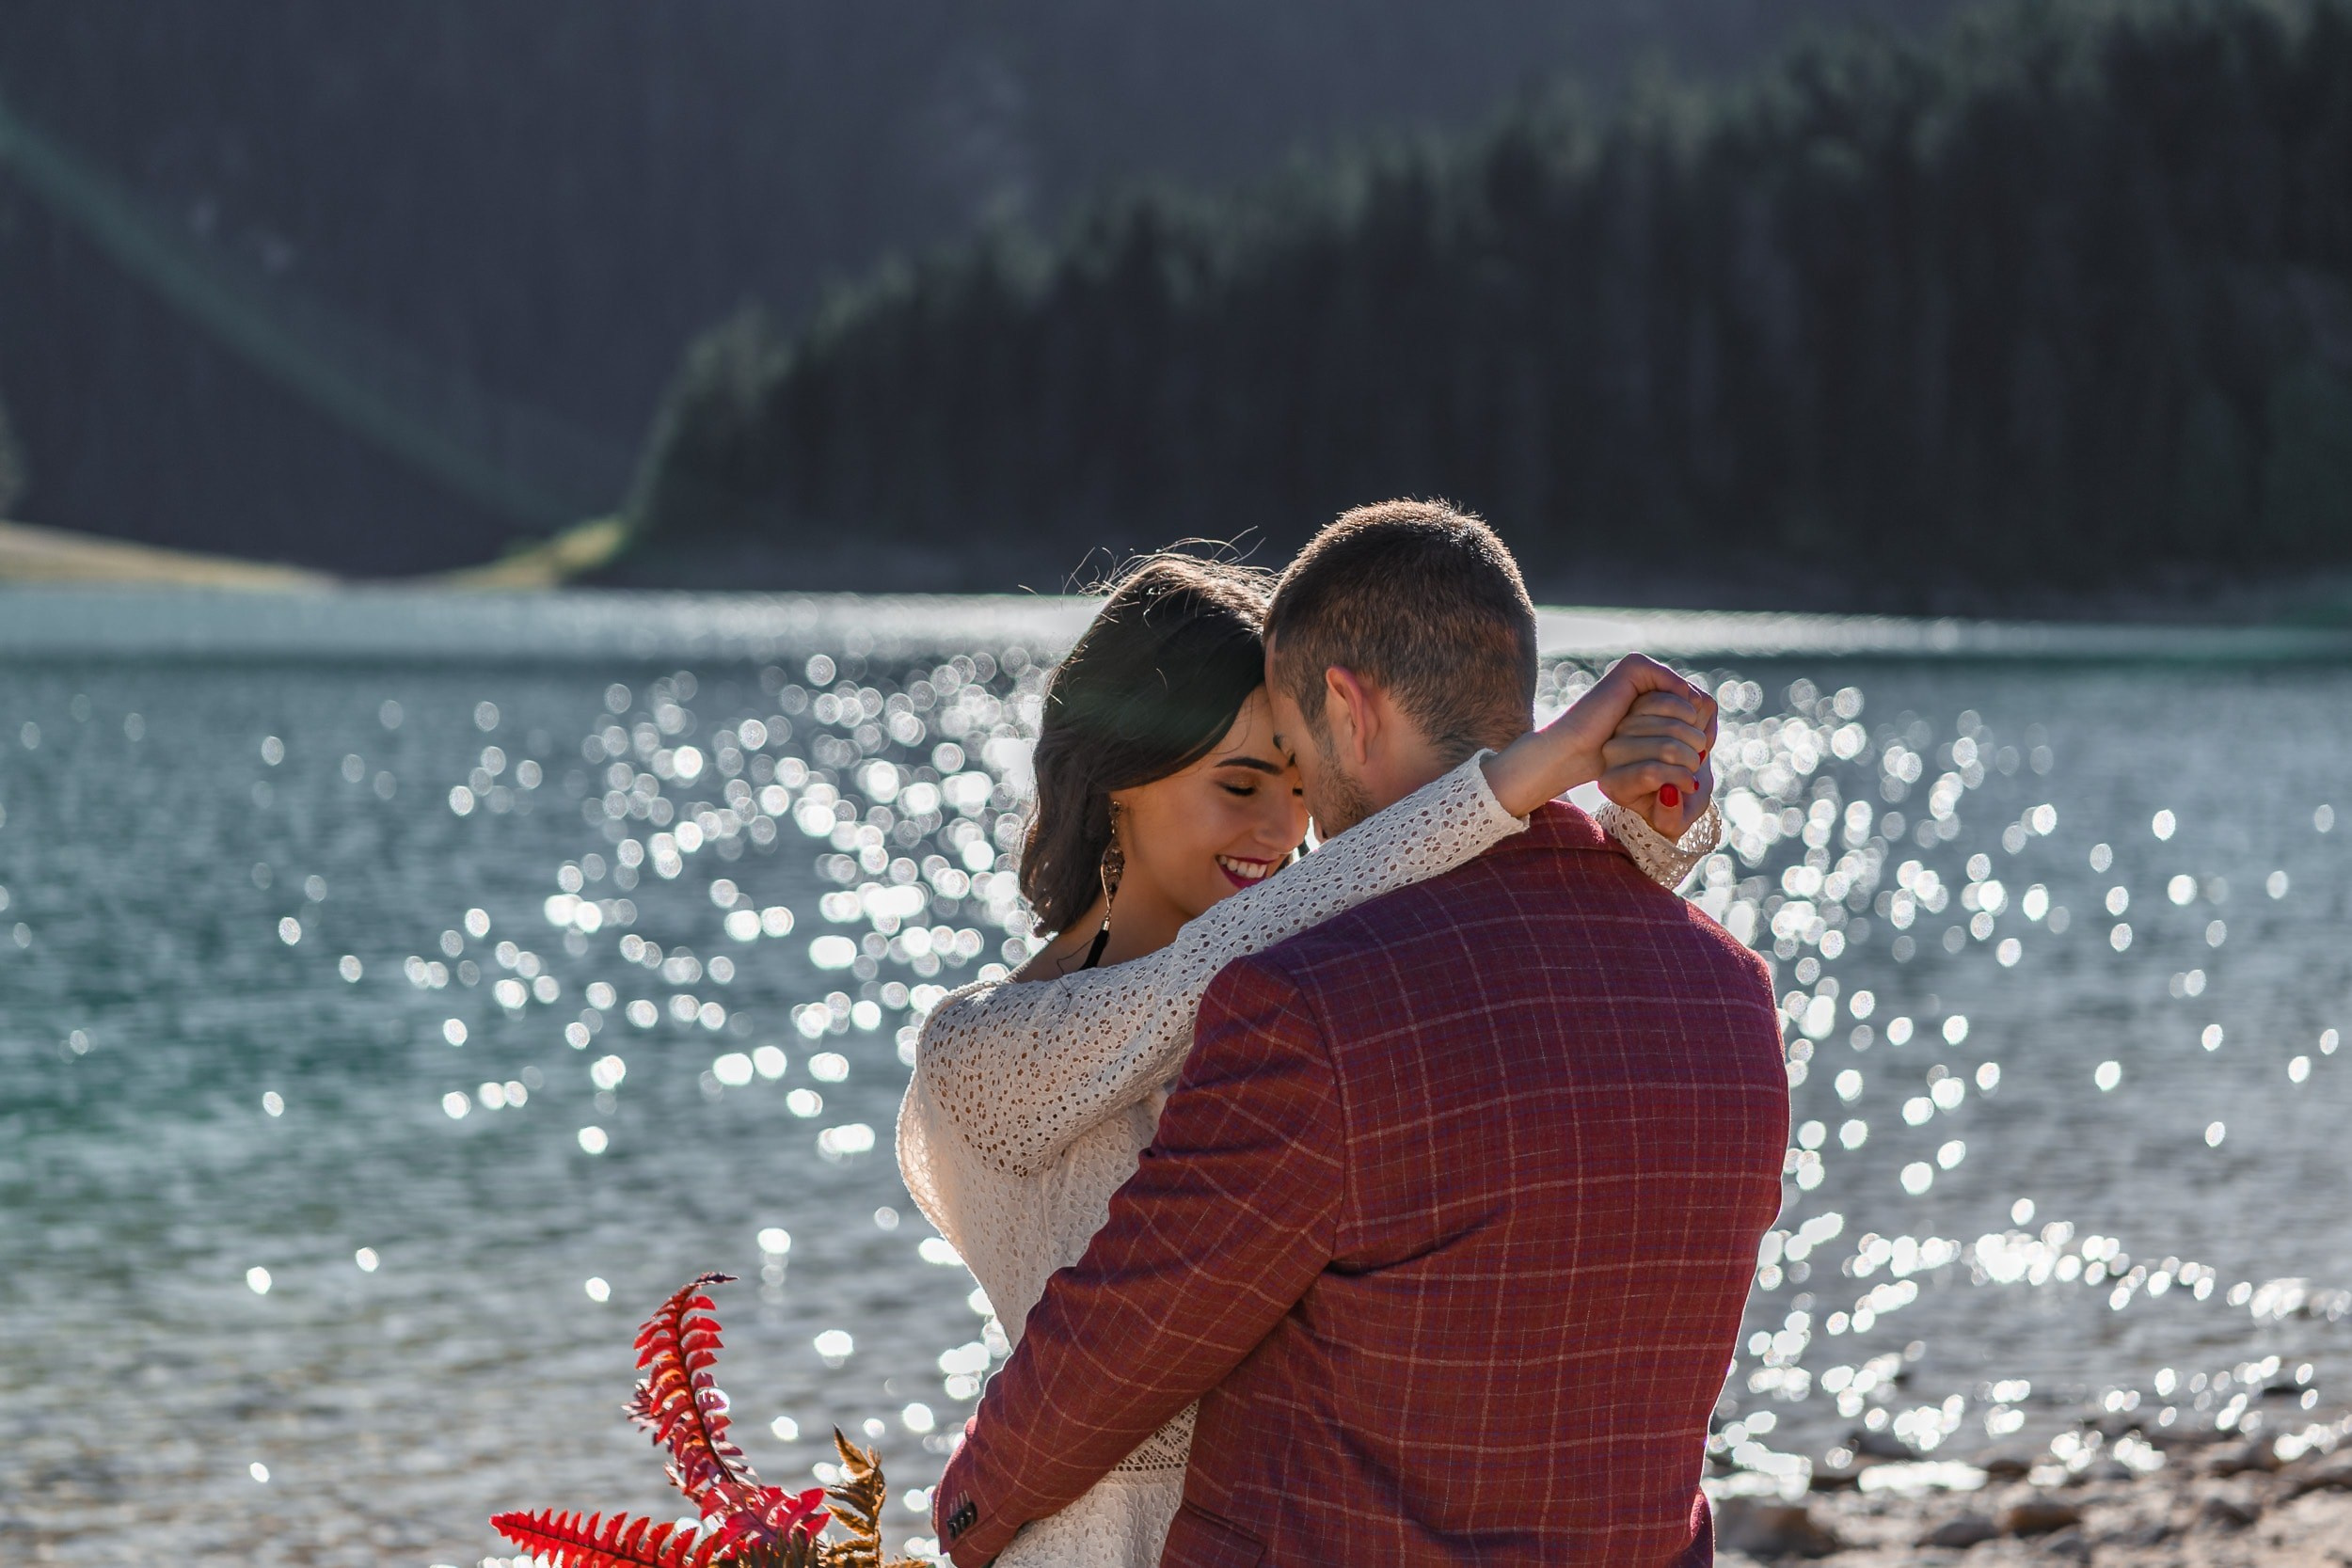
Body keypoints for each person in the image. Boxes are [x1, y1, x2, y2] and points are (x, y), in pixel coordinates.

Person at [900, 529, 1740, 1568]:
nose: (1285, 825)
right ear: (1119, 778)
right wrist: (1522, 775)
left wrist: (1647, 832)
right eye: (1243, 782)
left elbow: (1506, 973)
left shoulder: (1301, 996)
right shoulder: (983, 1050)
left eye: (1298, 780)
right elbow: (1192, 978)